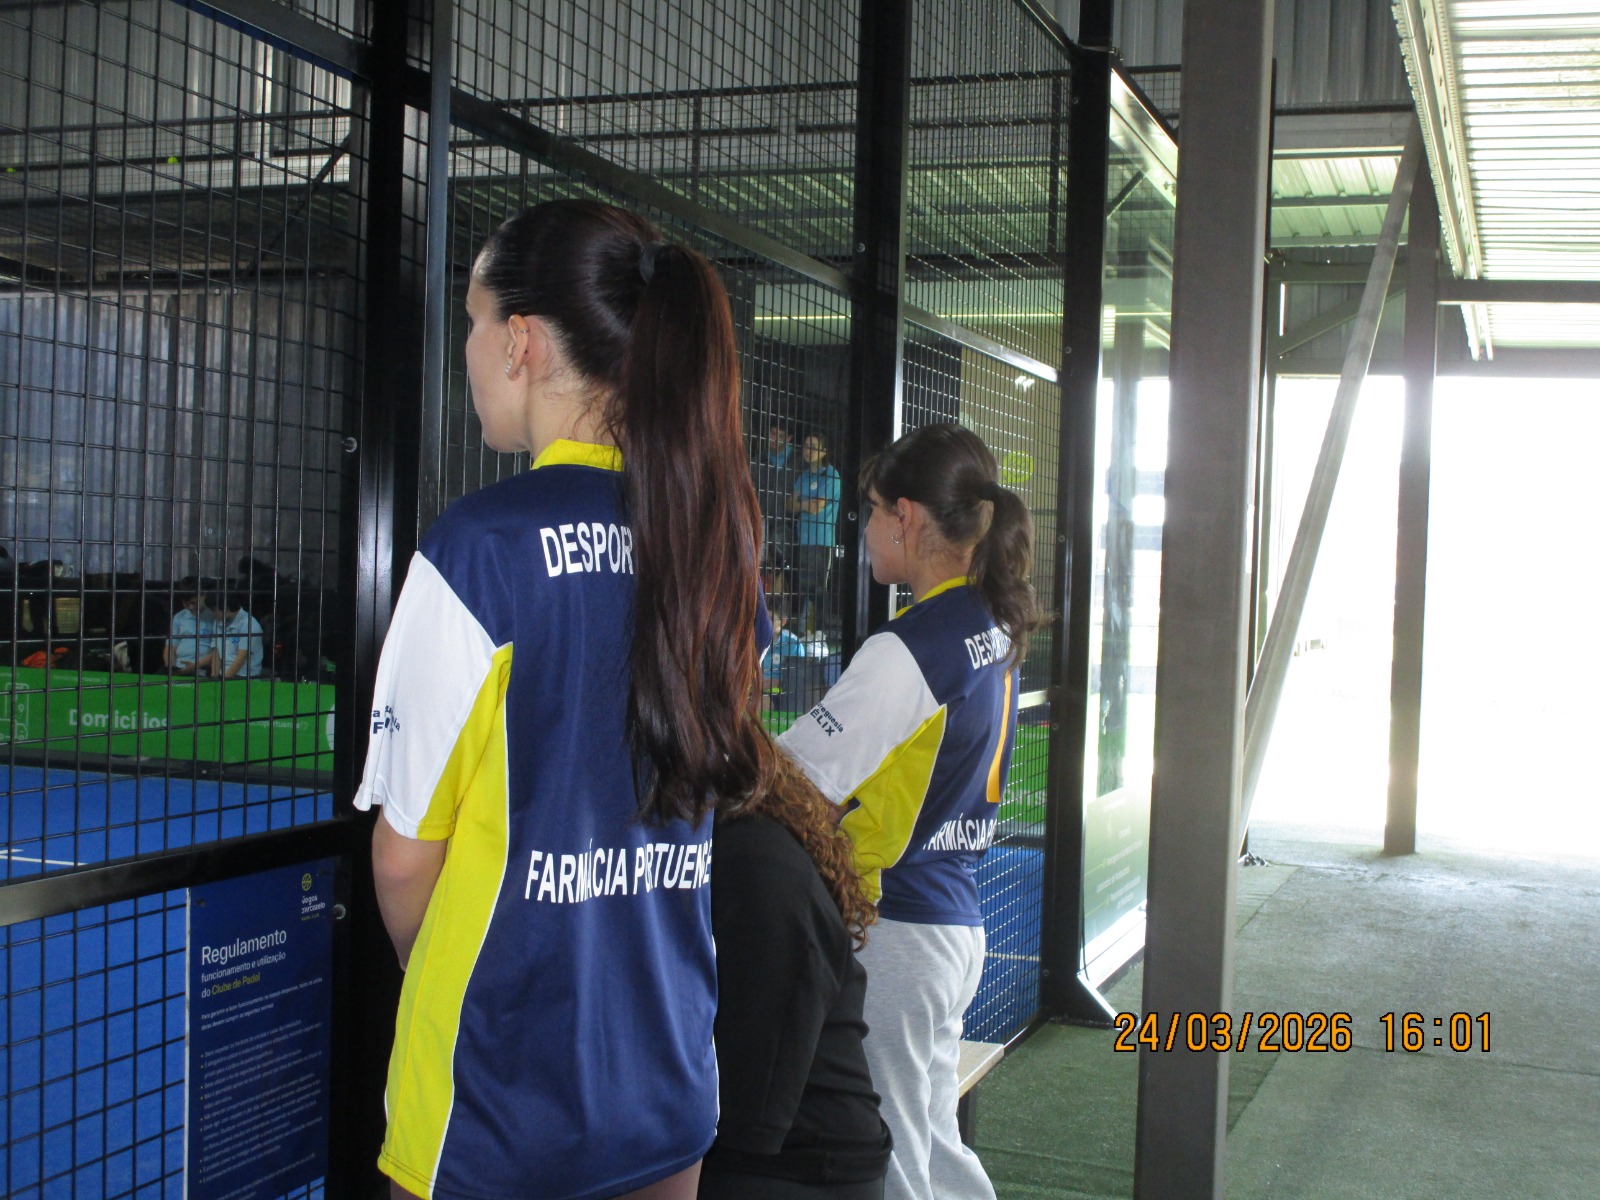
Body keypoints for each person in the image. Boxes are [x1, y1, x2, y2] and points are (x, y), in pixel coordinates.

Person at [354, 199, 773, 1200]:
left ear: (522, 344)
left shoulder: (479, 550)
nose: (466, 349)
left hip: (495, 1111)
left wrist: (453, 977)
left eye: (472, 320)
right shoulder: (715, 546)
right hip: (666, 1090)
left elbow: (403, 859)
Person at [777, 424, 1044, 1200]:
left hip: (897, 927)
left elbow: (794, 780)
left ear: (907, 518)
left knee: (895, 1158)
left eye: (870, 510)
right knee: (931, 1140)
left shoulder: (912, 646)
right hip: (951, 927)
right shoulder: (988, 624)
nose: (863, 530)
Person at [699, 753, 892, 1200]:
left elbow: (750, 1109)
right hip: (781, 1143)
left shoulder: (753, 857)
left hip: (801, 1161)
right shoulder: (737, 839)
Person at [790, 432, 841, 634]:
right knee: (803, 589)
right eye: (806, 446)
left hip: (822, 540)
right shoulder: (803, 476)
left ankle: (819, 635)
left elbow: (815, 507)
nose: (808, 450)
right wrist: (805, 504)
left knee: (818, 590)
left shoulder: (831, 475)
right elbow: (789, 506)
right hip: (803, 539)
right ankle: (805, 633)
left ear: (823, 451)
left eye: (813, 446)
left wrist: (801, 504)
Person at [758, 418, 798, 573]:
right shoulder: (758, 459)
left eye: (780, 435)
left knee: (782, 566)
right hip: (762, 521)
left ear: (789, 439)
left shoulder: (799, 463)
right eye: (773, 433)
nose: (774, 438)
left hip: (789, 524)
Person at [164, 583, 219, 674]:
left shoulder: (214, 617)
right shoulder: (179, 617)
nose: (190, 607)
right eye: (186, 603)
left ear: (204, 595)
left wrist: (194, 666)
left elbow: (218, 651)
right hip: (178, 667)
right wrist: (171, 668)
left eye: (194, 603)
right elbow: (171, 647)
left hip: (203, 668)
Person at [216, 593, 265, 678]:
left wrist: (224, 681)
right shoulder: (219, 622)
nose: (212, 614)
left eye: (214, 611)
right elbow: (216, 651)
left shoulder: (250, 625)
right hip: (223, 674)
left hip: (245, 677)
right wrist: (215, 678)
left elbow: (241, 657)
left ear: (226, 609)